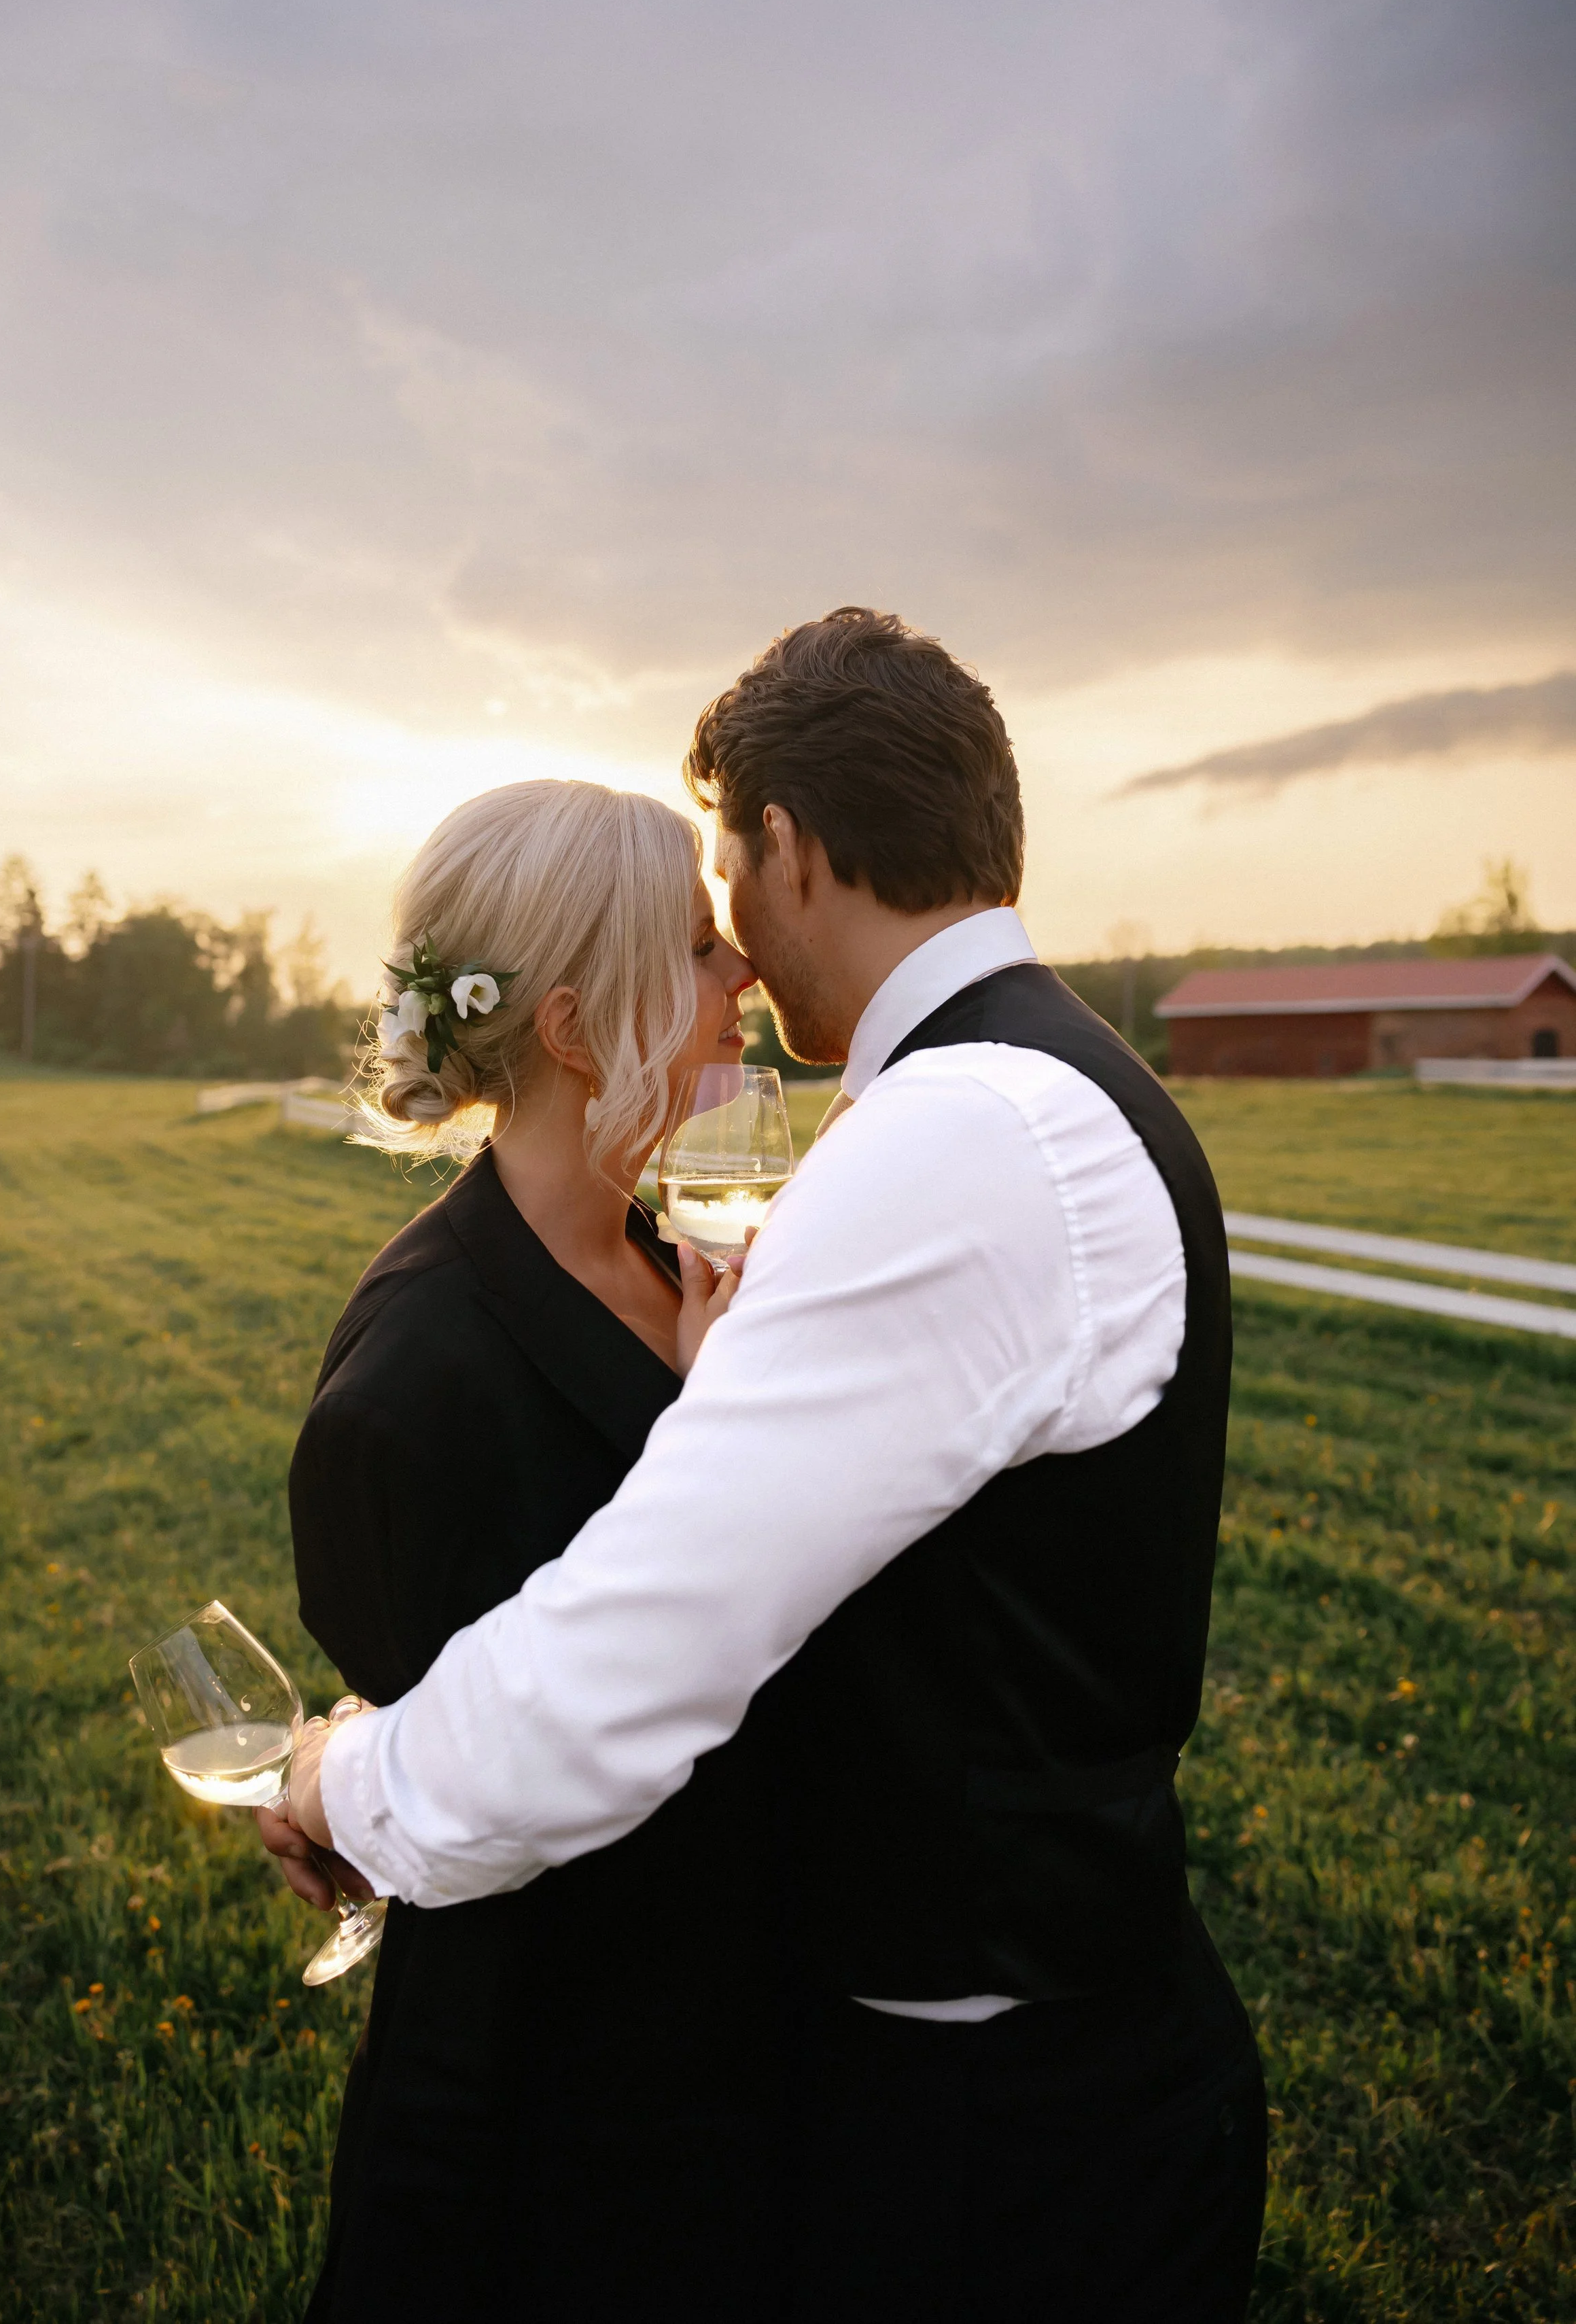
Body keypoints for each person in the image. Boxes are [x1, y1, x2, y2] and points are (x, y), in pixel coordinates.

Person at [273, 608, 1268, 2322]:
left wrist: (346, 1789)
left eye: (725, 890)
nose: (732, 956)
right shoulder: (1027, 1092)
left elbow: (642, 1640)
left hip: (1002, 2137)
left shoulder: (956, 1132)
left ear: (785, 851)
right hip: (957, 2085)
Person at [270, 778, 792, 2322]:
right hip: (555, 2122)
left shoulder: (682, 1263)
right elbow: (469, 1767)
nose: (741, 977)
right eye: (700, 947)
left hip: (746, 2058)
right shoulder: (412, 1389)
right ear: (574, 1029)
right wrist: (350, 1769)